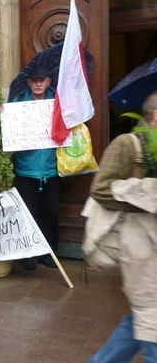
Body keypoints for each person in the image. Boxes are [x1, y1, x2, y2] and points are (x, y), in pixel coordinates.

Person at [87, 91, 157, 363]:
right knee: (150, 317)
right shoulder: (128, 144)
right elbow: (101, 189)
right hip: (138, 244)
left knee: (141, 318)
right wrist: (147, 194)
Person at [10, 66, 59, 269]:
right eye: (34, 80)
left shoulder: (59, 102)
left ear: (48, 81)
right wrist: (2, 115)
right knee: (27, 214)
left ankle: (49, 253)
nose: (38, 83)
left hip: (52, 168)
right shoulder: (17, 103)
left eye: (42, 79)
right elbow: (7, 129)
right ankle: (27, 256)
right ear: (29, 82)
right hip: (25, 168)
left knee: (51, 212)